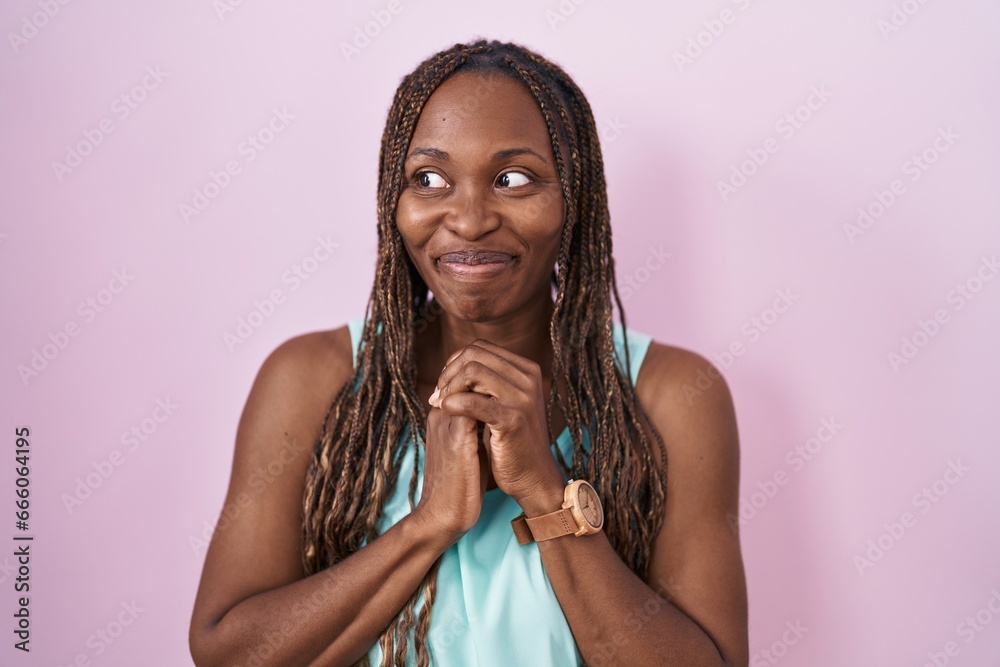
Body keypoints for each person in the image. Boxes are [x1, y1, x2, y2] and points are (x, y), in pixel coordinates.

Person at [189, 39, 748, 667]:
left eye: (513, 179)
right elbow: (229, 655)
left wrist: (544, 488)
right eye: (430, 179)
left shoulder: (672, 396)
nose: (470, 218)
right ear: (392, 203)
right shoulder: (309, 380)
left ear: (574, 200)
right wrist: (430, 522)